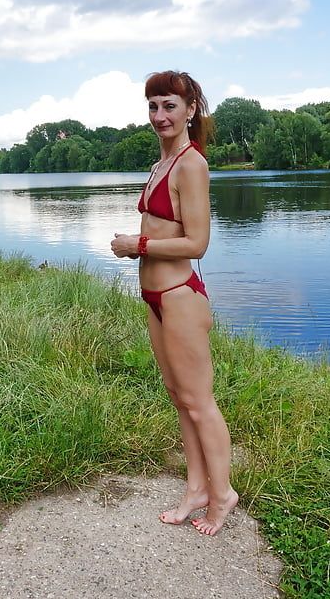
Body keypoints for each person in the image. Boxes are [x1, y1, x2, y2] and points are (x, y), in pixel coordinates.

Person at [111, 71, 238, 536]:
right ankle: (196, 489)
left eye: (168, 106)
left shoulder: (191, 164)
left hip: (180, 296)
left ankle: (222, 495)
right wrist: (140, 246)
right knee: (179, 397)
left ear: (190, 110)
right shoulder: (159, 163)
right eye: (152, 106)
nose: (159, 116)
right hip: (154, 297)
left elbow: (198, 243)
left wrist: (137, 245)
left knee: (200, 401)